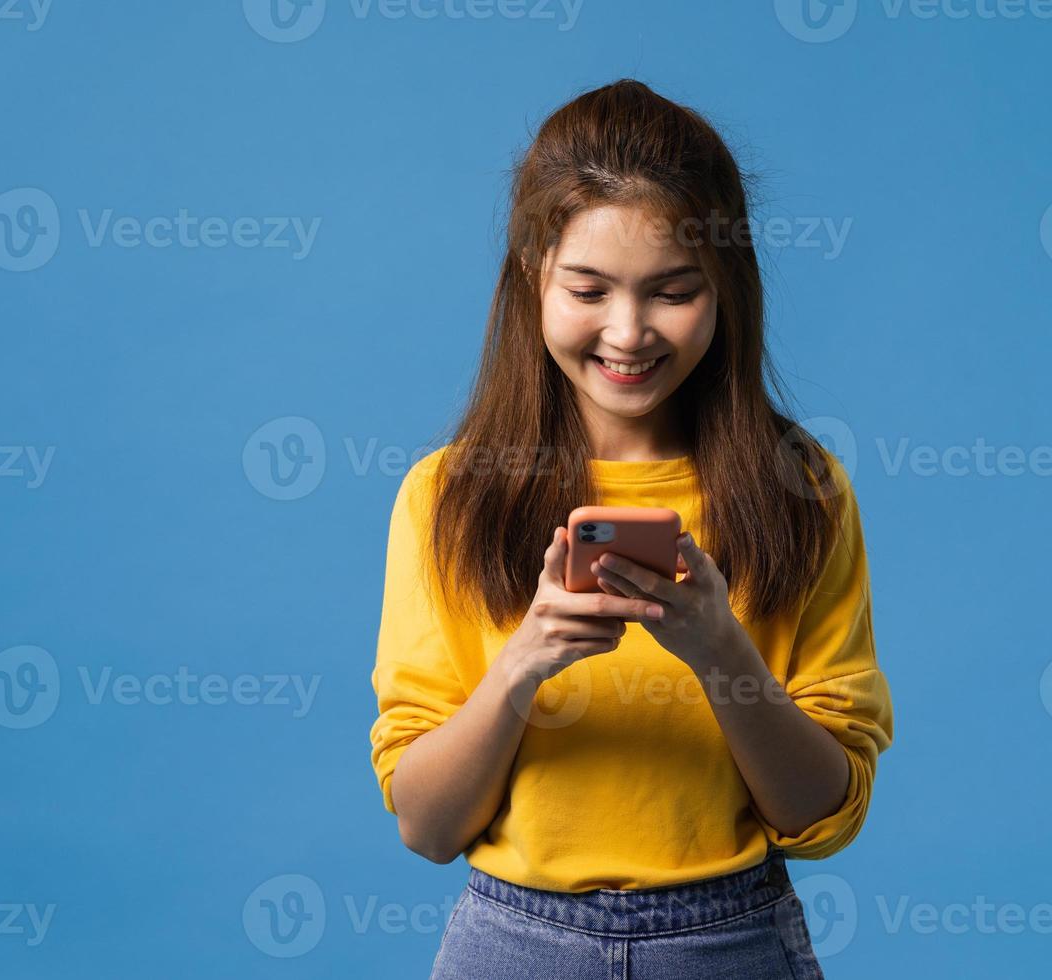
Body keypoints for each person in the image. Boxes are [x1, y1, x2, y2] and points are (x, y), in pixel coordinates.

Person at [370, 78, 894, 979]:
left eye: (673, 290)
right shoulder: (448, 495)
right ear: (533, 276)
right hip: (515, 943)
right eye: (588, 288)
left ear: (726, 286)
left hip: (730, 939)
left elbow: (823, 816)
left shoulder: (801, 491)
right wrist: (526, 660)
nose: (627, 331)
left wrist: (720, 649)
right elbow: (425, 824)